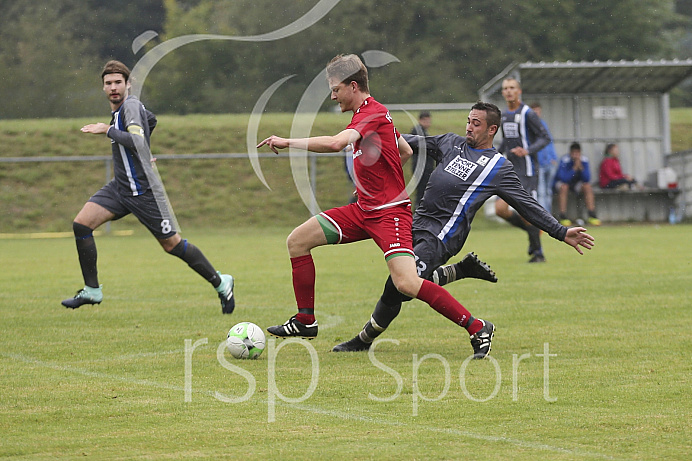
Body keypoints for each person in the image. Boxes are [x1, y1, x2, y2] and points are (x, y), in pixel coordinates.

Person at [256, 54, 499, 359]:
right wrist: (380, 181)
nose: (333, 96)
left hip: (389, 215)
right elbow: (405, 150)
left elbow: (335, 144)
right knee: (298, 241)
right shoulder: (374, 115)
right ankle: (305, 320)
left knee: (407, 283)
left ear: (353, 86)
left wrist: (288, 141)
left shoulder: (371, 114)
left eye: (335, 89)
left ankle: (477, 327)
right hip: (363, 210)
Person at [333, 102, 595, 355]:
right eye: (469, 121)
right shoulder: (450, 143)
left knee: (400, 286)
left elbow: (527, 205)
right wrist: (374, 134)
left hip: (443, 236)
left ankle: (471, 325)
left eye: (476, 123)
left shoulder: (498, 167)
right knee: (399, 287)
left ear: (492, 130)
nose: (469, 127)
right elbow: (410, 141)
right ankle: (459, 272)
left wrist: (560, 231)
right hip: (414, 225)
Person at [61, 60, 235, 314]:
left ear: (128, 84)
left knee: (172, 245)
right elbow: (151, 120)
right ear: (103, 87)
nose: (113, 88)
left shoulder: (129, 106)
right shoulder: (127, 108)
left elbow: (137, 140)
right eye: (108, 83)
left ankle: (221, 283)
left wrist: (108, 130)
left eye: (118, 83)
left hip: (143, 191)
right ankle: (92, 291)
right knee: (82, 225)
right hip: (120, 188)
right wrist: (143, 148)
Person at [495, 78, 552, 263]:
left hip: (527, 170)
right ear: (503, 93)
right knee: (500, 209)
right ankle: (532, 231)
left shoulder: (528, 113)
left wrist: (527, 150)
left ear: (519, 91)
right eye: (505, 89)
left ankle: (538, 253)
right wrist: (493, 156)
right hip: (510, 170)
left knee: (526, 212)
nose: (509, 91)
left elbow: (545, 138)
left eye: (512, 88)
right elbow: (505, 141)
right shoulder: (503, 115)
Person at [553, 142, 602, 226]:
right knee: (564, 187)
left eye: (577, 153)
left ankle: (592, 215)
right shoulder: (564, 160)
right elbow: (564, 178)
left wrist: (581, 169)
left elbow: (587, 179)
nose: (575, 155)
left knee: (587, 186)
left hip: (576, 184)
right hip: (563, 183)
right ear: (570, 153)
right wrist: (574, 169)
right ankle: (562, 216)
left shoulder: (584, 160)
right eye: (573, 153)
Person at [529, 102, 558, 213]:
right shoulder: (529, 126)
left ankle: (548, 216)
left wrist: (553, 157)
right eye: (534, 111)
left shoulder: (543, 124)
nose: (536, 113)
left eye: (538, 111)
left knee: (548, 192)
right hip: (539, 164)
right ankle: (544, 218)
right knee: (540, 192)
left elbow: (549, 142)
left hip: (549, 163)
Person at [410, 111, 434, 209]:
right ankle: (418, 210)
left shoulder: (423, 131)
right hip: (421, 166)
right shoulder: (417, 131)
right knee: (421, 190)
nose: (428, 123)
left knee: (424, 189)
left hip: (425, 166)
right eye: (425, 120)